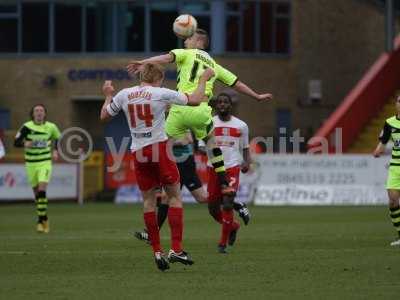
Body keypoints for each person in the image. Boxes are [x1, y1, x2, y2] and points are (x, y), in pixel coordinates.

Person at [127, 29, 272, 198]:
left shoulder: (187, 53)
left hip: (179, 108)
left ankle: (159, 187)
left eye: (189, 39)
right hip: (200, 110)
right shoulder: (215, 66)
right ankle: (225, 184)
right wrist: (257, 96)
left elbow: (165, 58)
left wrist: (143, 62)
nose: (186, 41)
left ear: (198, 42)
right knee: (212, 143)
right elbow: (237, 84)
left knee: (160, 144)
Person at [100, 63, 214, 271]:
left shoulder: (125, 94)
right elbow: (196, 100)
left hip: (139, 152)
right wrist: (204, 78)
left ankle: (157, 251)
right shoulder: (161, 93)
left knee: (149, 202)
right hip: (159, 149)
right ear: (159, 78)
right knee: (174, 197)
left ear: (141, 76)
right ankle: (176, 249)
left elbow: (104, 116)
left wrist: (108, 94)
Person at [134, 130, 251, 244]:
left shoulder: (178, 121)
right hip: (173, 162)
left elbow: (187, 139)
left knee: (166, 197)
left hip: (184, 163)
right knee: (202, 198)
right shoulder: (163, 123)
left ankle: (152, 234)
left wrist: (167, 143)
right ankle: (235, 215)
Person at [207, 93, 252, 253]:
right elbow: (200, 144)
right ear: (216, 105)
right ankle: (233, 226)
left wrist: (247, 162)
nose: (222, 104)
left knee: (226, 203)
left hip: (232, 168)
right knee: (213, 208)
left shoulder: (241, 126)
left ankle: (222, 244)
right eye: (219, 102)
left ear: (230, 105)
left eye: (225, 102)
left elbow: (245, 148)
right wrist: (202, 148)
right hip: (213, 168)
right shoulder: (209, 122)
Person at [14, 104, 61, 233]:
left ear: (45, 113)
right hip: (31, 163)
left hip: (44, 162)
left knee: (41, 190)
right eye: (36, 111)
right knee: (37, 195)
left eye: (41, 110)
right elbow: (16, 142)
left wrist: (56, 151)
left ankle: (40, 222)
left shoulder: (51, 127)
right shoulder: (27, 127)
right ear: (33, 114)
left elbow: (57, 138)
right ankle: (44, 217)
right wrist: (25, 143)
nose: (39, 112)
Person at [373, 95, 400, 246]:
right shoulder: (390, 123)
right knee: (393, 200)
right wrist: (378, 151)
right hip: (396, 166)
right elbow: (383, 143)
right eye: (399, 101)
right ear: (396, 104)